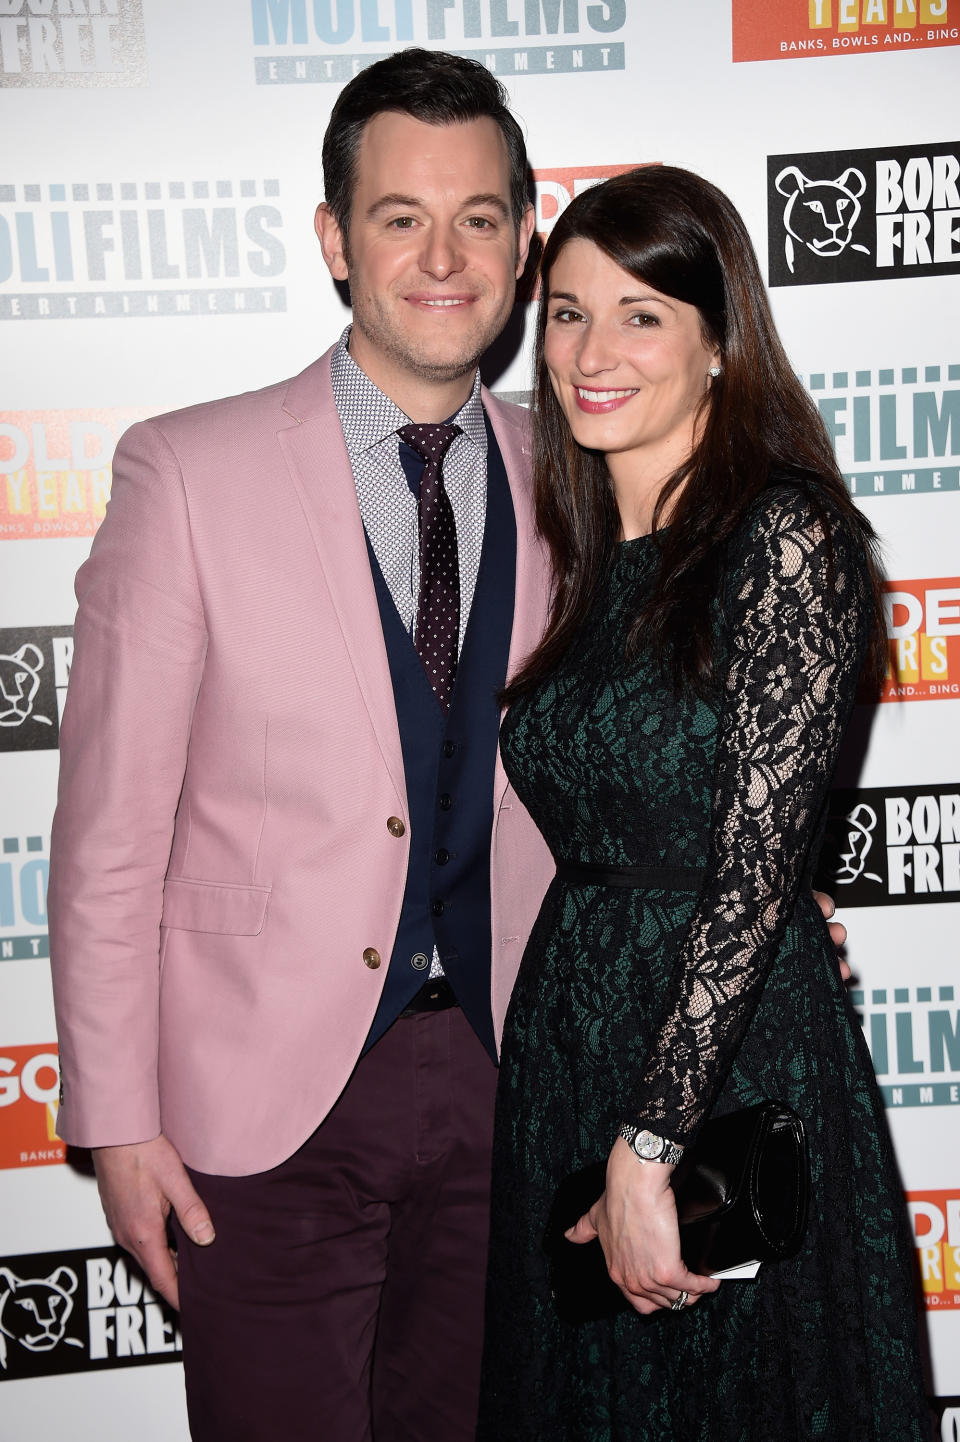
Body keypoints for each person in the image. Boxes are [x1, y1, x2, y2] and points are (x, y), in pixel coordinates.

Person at [47, 51, 845, 1442]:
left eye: (480, 216)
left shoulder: (583, 471)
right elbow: (109, 831)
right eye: (400, 215)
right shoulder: (188, 471)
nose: (442, 253)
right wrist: (115, 1118)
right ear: (333, 242)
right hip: (262, 1102)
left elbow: (685, 718)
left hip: (521, 1082)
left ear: (525, 245)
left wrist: (764, 896)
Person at [477, 166, 931, 1441]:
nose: (591, 349)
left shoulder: (785, 538)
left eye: (642, 314)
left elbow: (752, 878)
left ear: (720, 342)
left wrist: (650, 1142)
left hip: (713, 1062)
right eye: (566, 312)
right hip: (572, 1039)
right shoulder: (584, 561)